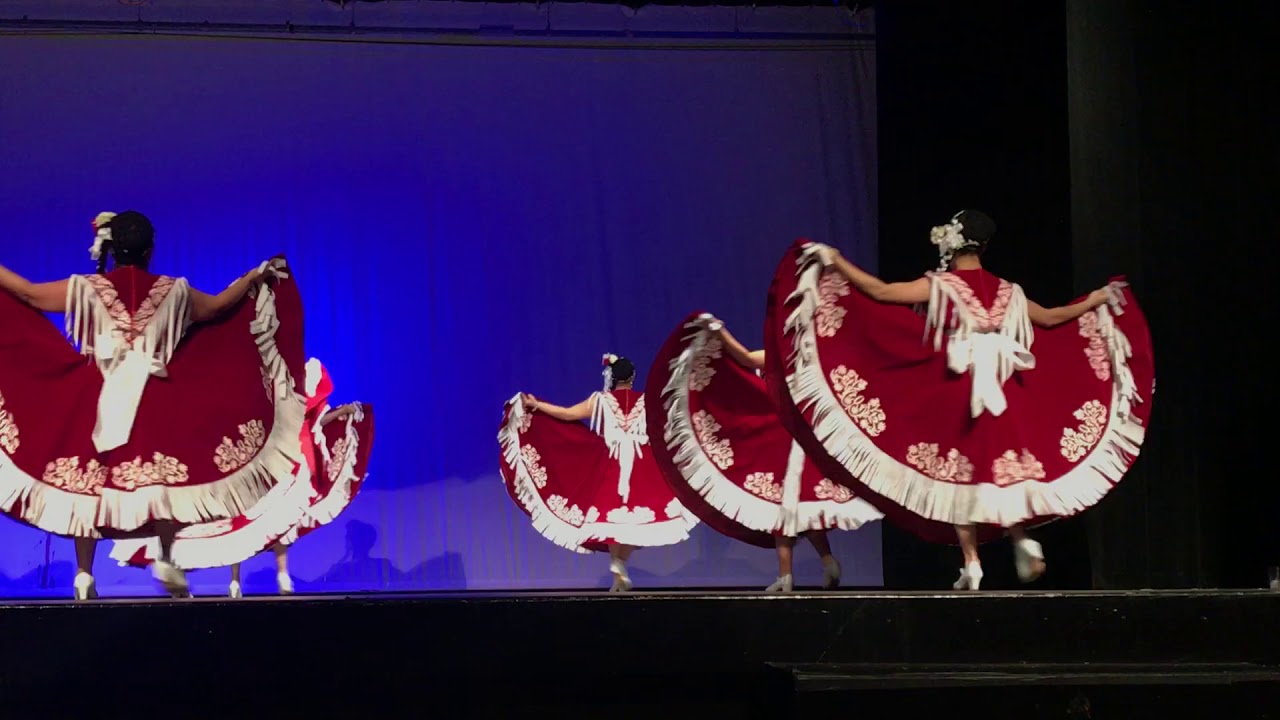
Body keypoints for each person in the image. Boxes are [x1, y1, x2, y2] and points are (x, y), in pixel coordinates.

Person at [763, 211, 1154, 590]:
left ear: (951, 244)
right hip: (1003, 391)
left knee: (959, 473)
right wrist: (1098, 298)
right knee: (1001, 469)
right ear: (983, 247)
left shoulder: (943, 285)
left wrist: (836, 260)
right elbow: (1053, 317)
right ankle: (1018, 539)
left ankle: (972, 564)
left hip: (957, 389)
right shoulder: (1009, 291)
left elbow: (879, 292)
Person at [0, 211, 308, 598]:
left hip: (96, 391)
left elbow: (27, 292)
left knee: (89, 480)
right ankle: (165, 556)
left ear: (113, 248)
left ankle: (83, 573)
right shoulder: (173, 290)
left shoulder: (85, 287)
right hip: (156, 394)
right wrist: (251, 279)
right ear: (150, 250)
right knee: (165, 476)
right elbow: (216, 309)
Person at [646, 312, 882, 591]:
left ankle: (786, 577)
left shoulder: (789, 357)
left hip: (783, 440)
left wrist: (719, 330)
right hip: (801, 441)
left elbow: (744, 358)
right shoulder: (810, 358)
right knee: (799, 510)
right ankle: (826, 560)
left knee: (782, 510)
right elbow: (745, 359)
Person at [108, 359, 373, 598]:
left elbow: (313, 419)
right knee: (245, 519)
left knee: (275, 520)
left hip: (287, 460)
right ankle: (243, 579)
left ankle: (273, 576)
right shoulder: (270, 381)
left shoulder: (297, 378)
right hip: (270, 461)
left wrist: (340, 414)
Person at [498, 354, 699, 591]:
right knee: (636, 522)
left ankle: (617, 564)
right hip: (643, 465)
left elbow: (566, 413)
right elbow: (668, 424)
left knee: (610, 517)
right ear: (632, 378)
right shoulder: (647, 401)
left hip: (611, 464)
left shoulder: (600, 400)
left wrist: (538, 406)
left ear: (612, 378)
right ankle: (619, 564)